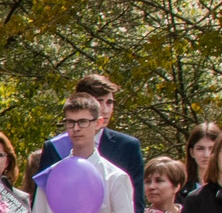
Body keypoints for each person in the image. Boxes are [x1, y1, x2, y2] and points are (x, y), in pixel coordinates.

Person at [32, 73, 146, 204]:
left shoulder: (127, 147)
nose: (105, 110)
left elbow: (136, 203)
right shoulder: (55, 148)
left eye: (109, 102)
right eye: (99, 101)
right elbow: (43, 201)